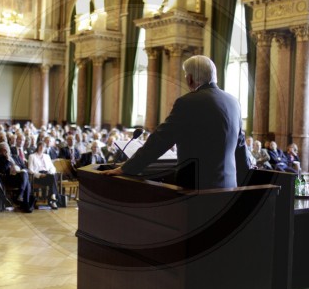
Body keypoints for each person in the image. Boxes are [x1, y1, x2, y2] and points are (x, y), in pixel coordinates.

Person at [101, 55, 250, 189]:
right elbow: (240, 146)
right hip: (228, 187)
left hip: (194, 189)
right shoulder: (234, 103)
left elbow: (160, 140)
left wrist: (127, 168)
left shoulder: (188, 102)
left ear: (190, 79)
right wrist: (248, 174)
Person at [0, 142, 35, 213]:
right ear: (0, 151)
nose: (5, 151)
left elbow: (25, 168)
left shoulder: (16, 156)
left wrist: (21, 170)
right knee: (26, 181)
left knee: (24, 174)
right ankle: (25, 203)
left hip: (20, 178)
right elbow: (2, 170)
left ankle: (21, 196)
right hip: (10, 179)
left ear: (8, 149)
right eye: (3, 150)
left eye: (6, 149)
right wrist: (7, 160)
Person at [28, 141, 59, 209]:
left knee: (53, 175)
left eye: (43, 146)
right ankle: (52, 199)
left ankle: (52, 197)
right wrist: (39, 175)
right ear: (38, 147)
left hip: (48, 175)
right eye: (40, 146)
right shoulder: (32, 156)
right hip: (39, 177)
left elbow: (52, 167)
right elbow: (30, 170)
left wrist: (51, 172)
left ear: (45, 148)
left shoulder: (47, 156)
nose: (42, 148)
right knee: (53, 178)